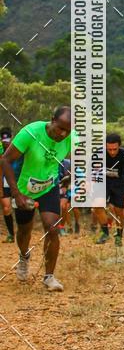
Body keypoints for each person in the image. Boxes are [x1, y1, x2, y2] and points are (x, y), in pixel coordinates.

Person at [1, 107, 72, 291]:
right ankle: (24, 256)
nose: (63, 134)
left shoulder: (72, 137)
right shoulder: (30, 133)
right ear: (52, 120)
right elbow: (5, 160)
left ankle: (49, 277)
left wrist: (71, 176)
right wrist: (16, 193)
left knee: (52, 228)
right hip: (24, 188)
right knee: (24, 230)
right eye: (60, 128)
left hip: (48, 186)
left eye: (67, 131)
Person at [94, 133, 124, 247]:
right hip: (104, 182)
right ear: (105, 146)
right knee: (97, 206)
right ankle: (105, 233)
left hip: (119, 183)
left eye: (115, 149)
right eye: (109, 149)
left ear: (119, 146)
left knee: (119, 211)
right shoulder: (99, 153)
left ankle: (119, 235)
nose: (112, 152)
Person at [1, 127, 20, 243]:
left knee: (19, 207)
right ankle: (11, 234)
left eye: (7, 141)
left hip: (17, 181)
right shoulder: (0, 150)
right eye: (3, 141)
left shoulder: (17, 147)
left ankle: (22, 231)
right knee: (6, 208)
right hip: (4, 182)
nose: (5, 143)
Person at [58, 157, 81, 236]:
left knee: (75, 207)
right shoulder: (60, 165)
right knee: (65, 207)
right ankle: (69, 226)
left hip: (74, 190)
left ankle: (77, 223)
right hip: (65, 189)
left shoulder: (78, 170)